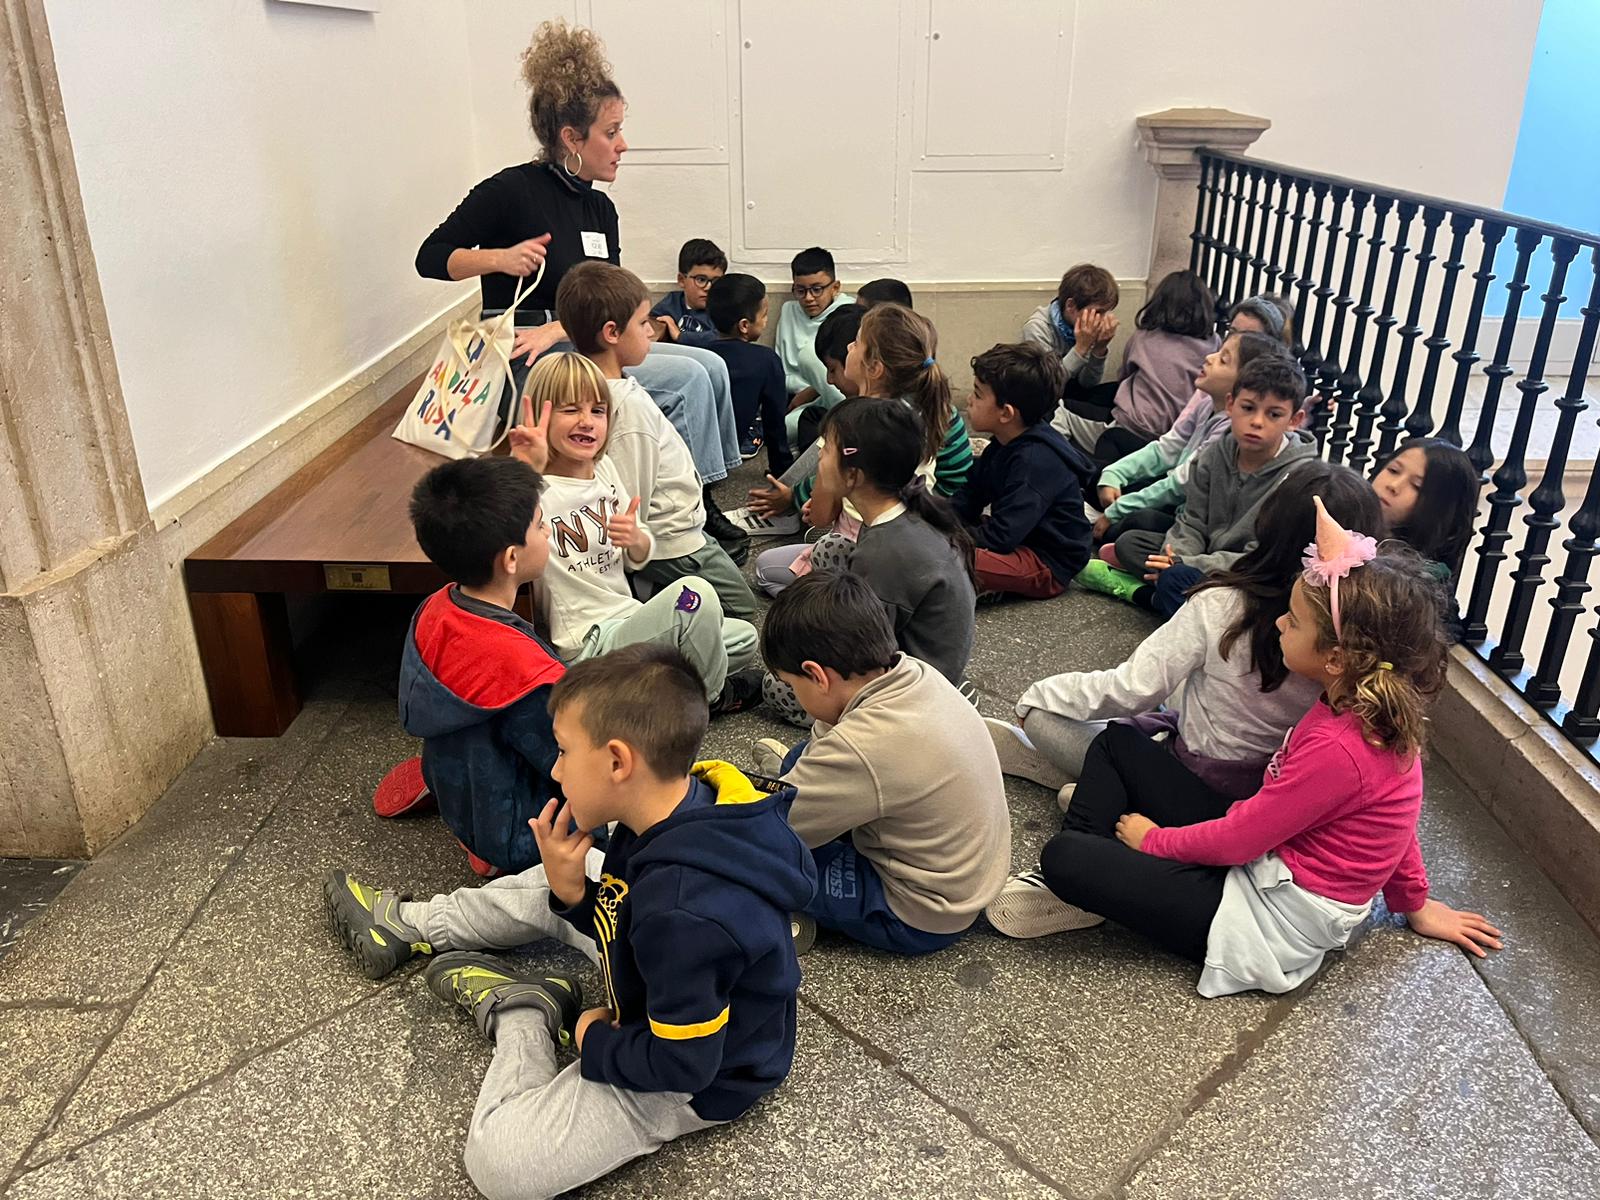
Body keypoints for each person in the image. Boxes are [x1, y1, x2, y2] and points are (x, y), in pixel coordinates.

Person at [324, 646, 816, 1199]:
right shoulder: (675, 805)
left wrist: (592, 1039)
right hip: (661, 973)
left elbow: (684, 1065)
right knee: (562, 872)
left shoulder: (685, 915)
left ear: (617, 762)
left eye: (562, 751)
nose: (555, 770)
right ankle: (412, 925)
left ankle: (525, 1013)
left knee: (498, 1164)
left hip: (693, 1076)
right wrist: (575, 896)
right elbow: (627, 910)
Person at [986, 503, 1504, 998]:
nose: (1279, 623)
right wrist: (1414, 904)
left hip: (1262, 918)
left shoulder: (1341, 748)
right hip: (1262, 858)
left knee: (1065, 858)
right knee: (1118, 743)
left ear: (1336, 658)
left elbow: (1238, 842)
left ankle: (1090, 874)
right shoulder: (1360, 705)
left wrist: (1152, 842)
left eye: (1294, 621)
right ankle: (1096, 880)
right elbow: (1400, 823)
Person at [415, 21, 743, 494]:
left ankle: (698, 496)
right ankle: (689, 511)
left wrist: (588, 326)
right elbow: (430, 257)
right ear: (572, 138)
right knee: (689, 379)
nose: (623, 144)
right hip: (531, 355)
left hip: (579, 339)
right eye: (612, 132)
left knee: (712, 367)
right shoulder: (510, 190)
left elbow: (610, 295)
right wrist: (499, 259)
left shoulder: (600, 208)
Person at [988, 462, 1382, 808]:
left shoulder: (1222, 604)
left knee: (1045, 716)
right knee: (1176, 694)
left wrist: (1040, 695)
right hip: (1274, 798)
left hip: (1188, 777)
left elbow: (1131, 688)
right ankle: (1103, 786)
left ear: (1269, 524)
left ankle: (1108, 789)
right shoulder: (1366, 636)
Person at [751, 572, 1008, 955]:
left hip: (919, 913)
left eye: (792, 686)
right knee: (801, 758)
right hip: (966, 874)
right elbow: (833, 737)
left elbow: (767, 835)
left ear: (817, 675)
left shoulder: (862, 746)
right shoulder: (912, 672)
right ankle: (800, 791)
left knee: (760, 861)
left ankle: (787, 914)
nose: (793, 694)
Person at [507, 350, 762, 712]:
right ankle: (705, 700)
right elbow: (507, 548)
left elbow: (637, 556)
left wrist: (636, 539)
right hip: (587, 644)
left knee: (743, 637)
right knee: (698, 595)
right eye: (571, 410)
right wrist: (524, 471)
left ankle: (638, 694)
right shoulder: (534, 489)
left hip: (628, 621)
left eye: (598, 410)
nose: (587, 421)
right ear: (539, 416)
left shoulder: (606, 471)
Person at [367, 456, 564, 879]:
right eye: (541, 525)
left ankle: (447, 790)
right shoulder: (522, 669)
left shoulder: (435, 608)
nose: (548, 531)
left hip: (461, 786)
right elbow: (566, 760)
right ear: (511, 558)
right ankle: (496, 853)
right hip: (517, 833)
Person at [526, 292, 757, 619]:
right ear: (612, 332)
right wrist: (637, 549)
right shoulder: (625, 409)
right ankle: (659, 600)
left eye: (596, 411)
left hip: (671, 531)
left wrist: (637, 540)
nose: (651, 331)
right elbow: (633, 503)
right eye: (642, 323)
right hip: (670, 540)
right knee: (742, 613)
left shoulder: (621, 394)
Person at [760, 397, 976, 725]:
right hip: (925, 658)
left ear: (853, 476)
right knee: (831, 549)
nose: (819, 456)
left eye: (826, 449)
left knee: (778, 686)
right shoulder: (903, 514)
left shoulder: (884, 552)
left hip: (917, 692)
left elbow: (860, 651)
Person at [751, 304, 974, 597]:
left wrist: (820, 493)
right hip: (920, 542)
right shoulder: (920, 409)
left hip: (870, 553)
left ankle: (842, 602)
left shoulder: (858, 425)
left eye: (856, 343)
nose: (848, 347)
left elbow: (820, 516)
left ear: (875, 368)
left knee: (766, 569)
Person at [1085, 355, 1316, 619]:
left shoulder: (1297, 479)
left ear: (1294, 420)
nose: (1257, 422)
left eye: (1274, 414)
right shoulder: (1215, 453)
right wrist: (1175, 558)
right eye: (1248, 408)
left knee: (1239, 598)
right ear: (1231, 405)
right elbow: (1191, 519)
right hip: (1200, 558)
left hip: (1246, 573)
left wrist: (1185, 565)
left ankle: (1147, 595)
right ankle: (1174, 594)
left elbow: (1261, 557)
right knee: (1130, 544)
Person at [1090, 330, 1289, 577]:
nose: (1209, 358)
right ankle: (1154, 569)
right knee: (1103, 476)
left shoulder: (1233, 432)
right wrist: (1114, 473)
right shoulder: (1206, 403)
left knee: (1131, 527)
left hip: (1200, 531)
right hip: (1187, 525)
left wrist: (1118, 511)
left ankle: (1145, 579)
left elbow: (1180, 485)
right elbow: (1167, 448)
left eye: (1223, 359)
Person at [953, 343, 1094, 599]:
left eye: (978, 394)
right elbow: (969, 497)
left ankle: (990, 583)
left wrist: (946, 539)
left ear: (1006, 413)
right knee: (932, 538)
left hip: (1046, 562)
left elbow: (1001, 537)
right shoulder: (1002, 443)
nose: (970, 400)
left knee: (948, 558)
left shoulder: (1035, 462)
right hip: (1019, 537)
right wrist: (935, 521)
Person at [1054, 269, 1218, 468]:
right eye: (1099, 312)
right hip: (1176, 433)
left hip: (1134, 427)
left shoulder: (1145, 336)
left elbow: (1122, 377)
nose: (1104, 319)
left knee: (1057, 412)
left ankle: (1066, 468)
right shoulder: (1214, 342)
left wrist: (1095, 349)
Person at [1370, 437, 1477, 641]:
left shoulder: (1426, 578)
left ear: (1440, 508)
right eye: (1393, 470)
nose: (1393, 485)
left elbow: (1446, 630)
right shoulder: (1342, 515)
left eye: (1416, 486)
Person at [703, 273, 792, 472]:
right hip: (725, 457)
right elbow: (774, 423)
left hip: (691, 452)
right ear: (744, 325)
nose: (766, 321)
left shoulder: (700, 355)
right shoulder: (766, 360)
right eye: (764, 315)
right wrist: (782, 471)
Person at [775, 246, 854, 442]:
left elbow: (847, 370)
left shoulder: (848, 312)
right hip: (797, 398)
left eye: (817, 290)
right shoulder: (789, 311)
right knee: (781, 429)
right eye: (800, 291)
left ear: (835, 287)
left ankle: (850, 419)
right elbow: (780, 366)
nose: (808, 298)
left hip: (836, 392)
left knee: (809, 355)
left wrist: (812, 390)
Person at [1022, 263, 1121, 394]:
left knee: (1116, 391)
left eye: (1106, 312)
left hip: (1074, 392)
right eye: (1098, 312)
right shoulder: (1038, 328)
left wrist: (1099, 349)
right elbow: (1047, 385)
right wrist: (1081, 348)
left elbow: (1087, 383)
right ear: (1070, 305)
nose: (1102, 319)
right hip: (1046, 394)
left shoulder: (1089, 327)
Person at [649, 237, 726, 346]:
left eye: (716, 281)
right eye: (701, 279)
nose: (709, 287)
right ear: (682, 280)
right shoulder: (670, 306)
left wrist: (680, 336)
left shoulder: (725, 307)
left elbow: (726, 338)